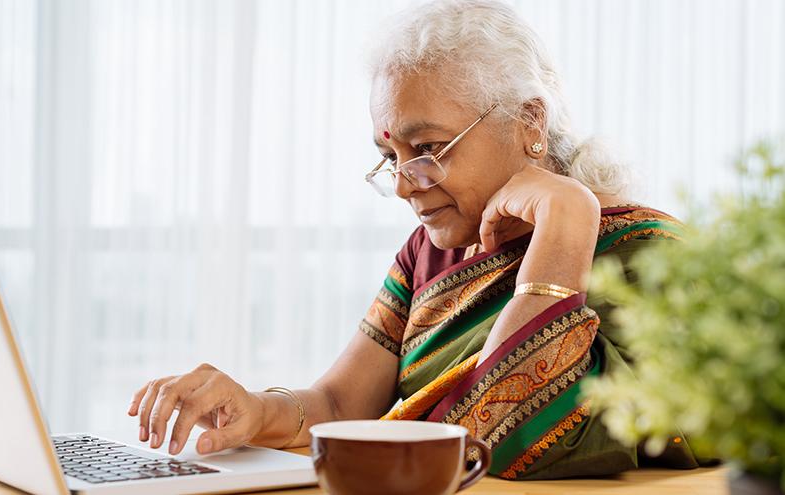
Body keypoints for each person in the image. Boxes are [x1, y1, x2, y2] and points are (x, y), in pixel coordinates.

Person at [128, 0, 706, 479]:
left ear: (530, 121)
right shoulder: (431, 250)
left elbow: (508, 440)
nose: (405, 185)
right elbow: (340, 405)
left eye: (427, 149)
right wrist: (255, 410)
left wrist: (566, 218)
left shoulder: (647, 254)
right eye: (390, 157)